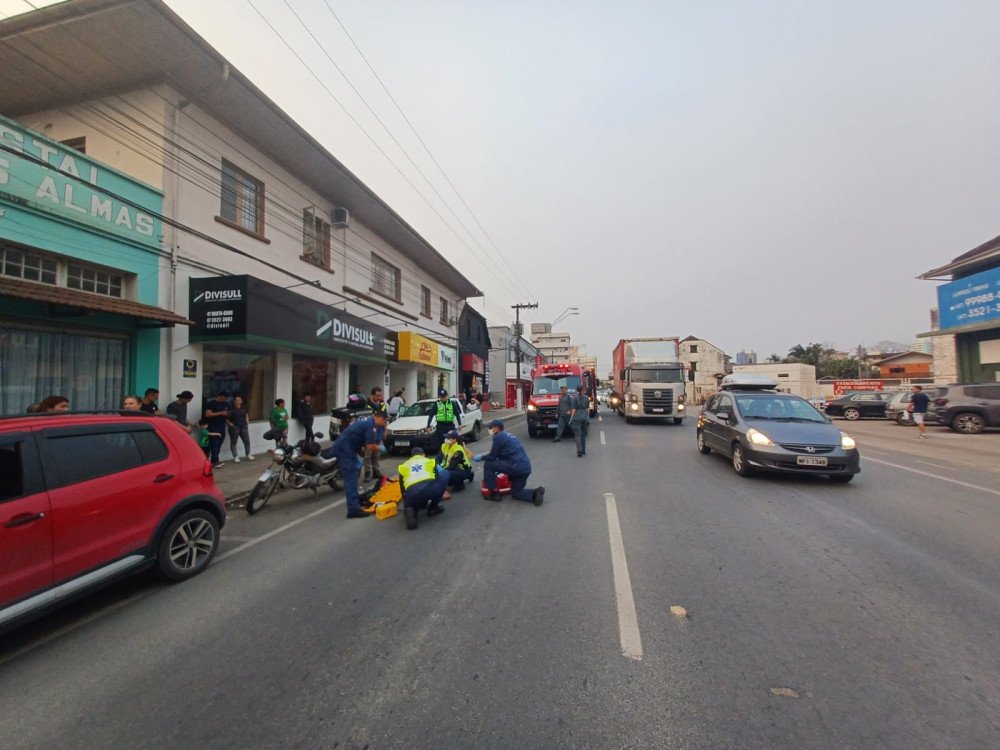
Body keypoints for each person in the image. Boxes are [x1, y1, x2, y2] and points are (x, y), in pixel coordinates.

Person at [321, 409, 388, 519]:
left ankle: (356, 502)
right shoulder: (370, 426)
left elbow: (360, 440)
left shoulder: (369, 423)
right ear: (381, 418)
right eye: (384, 422)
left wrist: (361, 451)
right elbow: (370, 446)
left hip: (348, 447)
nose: (384, 424)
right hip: (345, 449)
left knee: (353, 476)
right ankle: (353, 510)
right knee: (351, 478)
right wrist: (379, 448)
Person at [474, 419, 544, 505]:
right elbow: (501, 455)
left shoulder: (498, 437)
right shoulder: (510, 435)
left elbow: (492, 457)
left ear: (496, 428)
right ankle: (535, 493)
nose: (489, 430)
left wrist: (480, 457)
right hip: (525, 469)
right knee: (515, 493)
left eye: (490, 428)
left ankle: (494, 493)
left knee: (488, 465)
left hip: (515, 466)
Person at [398, 446, 451, 530]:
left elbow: (402, 487)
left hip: (412, 493)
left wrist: (406, 502)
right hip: (430, 489)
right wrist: (442, 492)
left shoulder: (404, 466)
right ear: (423, 454)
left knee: (412, 500)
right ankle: (433, 508)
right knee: (445, 474)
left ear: (411, 456)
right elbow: (438, 479)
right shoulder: (429, 461)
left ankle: (411, 509)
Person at [204, 391, 231, 468]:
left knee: (219, 444)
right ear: (221, 396)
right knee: (214, 444)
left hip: (222, 426)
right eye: (225, 398)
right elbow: (208, 414)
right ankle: (214, 461)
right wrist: (220, 413)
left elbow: (228, 413)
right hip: (213, 426)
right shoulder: (211, 403)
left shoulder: (226, 404)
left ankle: (215, 460)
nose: (226, 400)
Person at [227, 394, 253, 462]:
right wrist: (230, 424)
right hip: (234, 427)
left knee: (247, 441)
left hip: (243, 426)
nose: (238, 401)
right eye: (236, 400)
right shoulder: (230, 408)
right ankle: (235, 456)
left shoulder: (244, 408)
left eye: (239, 400)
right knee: (234, 442)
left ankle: (248, 454)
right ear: (234, 401)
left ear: (241, 401)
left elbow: (246, 415)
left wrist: (247, 422)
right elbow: (226, 418)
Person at [571, 384, 591, 457]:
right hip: (584, 417)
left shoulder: (574, 398)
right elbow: (588, 409)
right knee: (583, 434)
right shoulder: (586, 398)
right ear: (582, 389)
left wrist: (571, 418)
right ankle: (583, 450)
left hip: (577, 417)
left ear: (576, 390)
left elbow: (573, 410)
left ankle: (579, 450)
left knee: (577, 435)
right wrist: (587, 417)